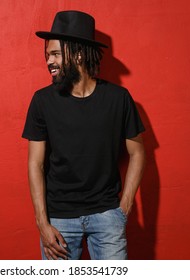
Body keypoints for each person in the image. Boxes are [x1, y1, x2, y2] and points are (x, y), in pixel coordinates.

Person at [22, 10, 145, 260]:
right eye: (47, 55)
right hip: (59, 221)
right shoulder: (42, 101)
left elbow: (138, 152)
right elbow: (35, 163)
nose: (49, 62)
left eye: (55, 54)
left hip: (108, 216)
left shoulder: (118, 98)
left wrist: (125, 207)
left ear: (78, 54)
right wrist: (42, 223)